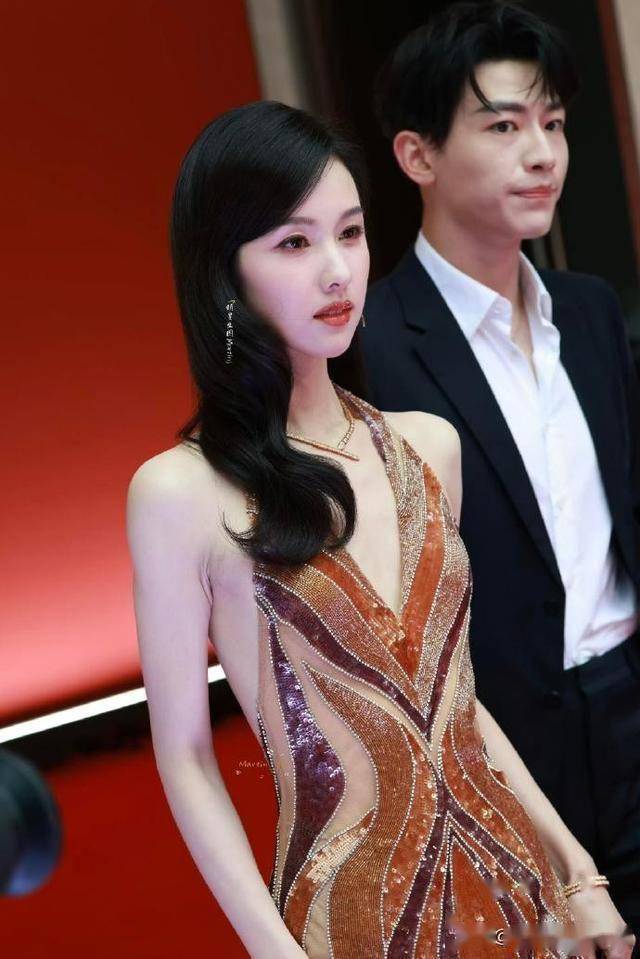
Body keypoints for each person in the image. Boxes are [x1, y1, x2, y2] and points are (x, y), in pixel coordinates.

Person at [126, 100, 634, 959]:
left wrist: (578, 871)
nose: (337, 271)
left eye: (351, 233)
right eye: (294, 242)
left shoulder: (428, 446)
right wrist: (277, 951)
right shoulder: (178, 492)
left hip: (519, 896)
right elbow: (185, 756)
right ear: (225, 271)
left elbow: (456, 705)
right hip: (352, 921)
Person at [362, 0, 640, 946]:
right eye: (504, 126)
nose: (543, 153)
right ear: (418, 155)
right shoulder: (372, 349)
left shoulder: (590, 312)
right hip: (498, 746)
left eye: (552, 124)